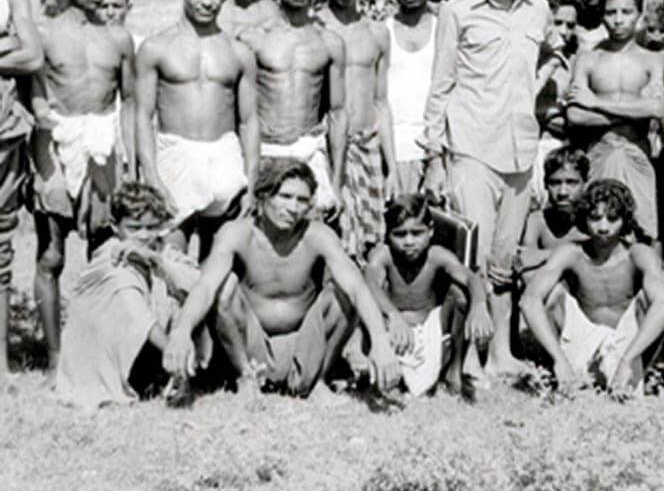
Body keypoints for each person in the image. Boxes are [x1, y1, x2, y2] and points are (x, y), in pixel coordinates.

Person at [422, 0, 550, 376]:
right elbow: (440, 86)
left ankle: (502, 354)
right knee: (471, 258)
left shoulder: (539, 10)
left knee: (504, 260)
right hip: (472, 147)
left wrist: (546, 80)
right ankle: (466, 360)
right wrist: (434, 158)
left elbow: (553, 51)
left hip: (520, 151)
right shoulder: (458, 11)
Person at [163, 158, 400, 398]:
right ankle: (245, 377)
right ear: (263, 196)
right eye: (285, 196)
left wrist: (380, 340)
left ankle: (315, 381)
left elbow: (357, 287)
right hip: (253, 344)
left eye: (302, 200)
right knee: (224, 287)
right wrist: (181, 331)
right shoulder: (237, 233)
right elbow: (205, 287)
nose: (293, 208)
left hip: (306, 344)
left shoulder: (318, 235)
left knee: (342, 292)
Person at [32, 0, 136, 375]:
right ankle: (56, 355)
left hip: (103, 148)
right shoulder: (44, 34)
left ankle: (97, 351)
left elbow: (130, 104)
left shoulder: (118, 38)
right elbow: (35, 97)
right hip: (58, 145)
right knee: (51, 255)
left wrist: (129, 161)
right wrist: (45, 168)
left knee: (104, 251)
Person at [135, 0, 258, 257]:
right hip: (175, 154)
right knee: (171, 260)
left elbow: (249, 120)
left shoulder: (239, 52)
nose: (207, 1)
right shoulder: (156, 48)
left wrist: (252, 180)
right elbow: (142, 115)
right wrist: (150, 175)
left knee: (219, 262)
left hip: (225, 155)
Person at [54, 182, 206, 409]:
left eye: (152, 227)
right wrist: (174, 353)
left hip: (137, 348)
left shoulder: (158, 249)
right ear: (115, 226)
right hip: (97, 358)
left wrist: (157, 261)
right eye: (134, 228)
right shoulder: (111, 260)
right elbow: (138, 315)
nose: (144, 235)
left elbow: (199, 283)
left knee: (176, 292)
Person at [519, 179, 664, 392]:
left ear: (625, 220)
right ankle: (560, 372)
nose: (603, 227)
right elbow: (529, 301)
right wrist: (558, 359)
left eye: (612, 219)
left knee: (653, 299)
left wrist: (628, 360)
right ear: (584, 218)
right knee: (552, 295)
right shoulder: (571, 253)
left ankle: (639, 374)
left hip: (628, 344)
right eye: (595, 218)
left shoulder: (638, 254)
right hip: (582, 338)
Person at [239, 0, 346, 217]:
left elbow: (337, 114)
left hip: (309, 152)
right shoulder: (253, 39)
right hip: (264, 152)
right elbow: (239, 113)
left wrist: (336, 182)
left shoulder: (330, 42)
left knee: (313, 243)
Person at [361, 194, 492, 396]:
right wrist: (393, 315)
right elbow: (369, 282)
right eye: (400, 234)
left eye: (417, 233)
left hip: (429, 331)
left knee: (461, 295)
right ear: (388, 234)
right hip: (393, 330)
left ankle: (455, 371)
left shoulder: (436, 255)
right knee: (366, 298)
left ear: (430, 231)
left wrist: (479, 306)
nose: (409, 241)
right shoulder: (384, 255)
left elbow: (470, 277)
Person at [568, 0, 664, 240]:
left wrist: (596, 102)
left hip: (637, 152)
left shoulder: (653, 60)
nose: (618, 20)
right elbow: (575, 115)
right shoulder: (588, 58)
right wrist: (634, 111)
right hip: (599, 151)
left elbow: (657, 108)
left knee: (643, 233)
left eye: (626, 12)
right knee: (597, 230)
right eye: (611, 12)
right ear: (602, 16)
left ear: (639, 15)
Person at [318, 0, 391, 258]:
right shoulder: (314, 28)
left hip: (367, 145)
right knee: (332, 237)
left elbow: (381, 103)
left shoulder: (376, 32)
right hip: (329, 144)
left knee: (372, 243)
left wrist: (393, 172)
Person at [0, 0, 45, 380]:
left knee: (0, 245)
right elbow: (17, 51)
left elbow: (32, 57)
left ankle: (0, 362)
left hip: (2, 132)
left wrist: (18, 44)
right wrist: (6, 45)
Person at [383, 0, 445, 196]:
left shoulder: (445, 30)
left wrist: (437, 156)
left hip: (436, 152)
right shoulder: (381, 32)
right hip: (394, 152)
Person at [530, 0, 579, 206]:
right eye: (558, 23)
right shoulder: (528, 58)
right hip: (526, 149)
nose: (564, 31)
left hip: (560, 153)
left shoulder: (576, 62)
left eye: (570, 25)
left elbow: (576, 116)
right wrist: (550, 113)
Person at [518, 147, 589, 276]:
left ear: (585, 183)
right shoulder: (537, 221)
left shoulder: (593, 220)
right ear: (545, 183)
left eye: (571, 183)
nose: (562, 192)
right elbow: (526, 261)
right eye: (555, 183)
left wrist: (544, 255)